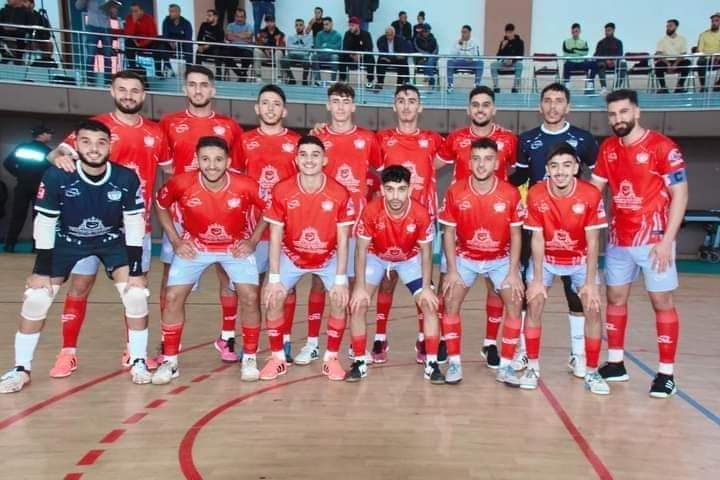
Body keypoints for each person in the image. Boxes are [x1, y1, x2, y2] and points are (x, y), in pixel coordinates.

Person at [0, 120, 152, 393]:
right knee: (36, 298)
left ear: (109, 147)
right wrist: (41, 271)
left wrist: (136, 270)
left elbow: (133, 223)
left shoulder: (125, 178)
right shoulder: (57, 175)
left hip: (111, 240)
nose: (94, 148)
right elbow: (45, 223)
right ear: (76, 146)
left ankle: (138, 360)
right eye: (86, 142)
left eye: (101, 142)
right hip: (67, 241)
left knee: (136, 294)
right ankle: (21, 369)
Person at [45, 71, 167, 378]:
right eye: (122, 89)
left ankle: (133, 352)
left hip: (135, 226)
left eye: (135, 90)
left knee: (135, 290)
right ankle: (67, 353)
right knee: (80, 285)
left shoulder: (156, 132)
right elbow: (56, 153)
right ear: (112, 92)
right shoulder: (96, 128)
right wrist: (56, 158)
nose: (128, 95)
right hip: (90, 226)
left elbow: (172, 171)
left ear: (143, 95)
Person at [591, 89, 688, 399]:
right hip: (619, 239)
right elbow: (594, 190)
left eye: (623, 112)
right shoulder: (608, 148)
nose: (618, 119)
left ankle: (666, 374)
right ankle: (616, 363)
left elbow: (680, 194)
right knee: (615, 298)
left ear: (636, 112)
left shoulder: (662, 147)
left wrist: (667, 241)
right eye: (612, 114)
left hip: (654, 240)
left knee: (662, 301)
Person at [152, 136, 266, 384]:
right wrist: (176, 240)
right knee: (172, 297)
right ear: (197, 160)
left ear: (228, 161)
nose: (212, 165)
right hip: (195, 247)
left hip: (234, 247)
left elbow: (270, 208)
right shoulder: (180, 183)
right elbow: (160, 204)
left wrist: (253, 240)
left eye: (218, 159)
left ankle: (249, 358)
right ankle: (170, 361)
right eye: (205, 159)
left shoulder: (246, 185)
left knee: (250, 297)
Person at [510, 82, 599, 377]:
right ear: (540, 106)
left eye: (559, 101)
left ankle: (578, 354)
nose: (552, 106)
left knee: (576, 295)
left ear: (568, 106)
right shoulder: (527, 140)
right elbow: (520, 177)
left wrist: (586, 207)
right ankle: (525, 352)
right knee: (531, 291)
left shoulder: (583, 139)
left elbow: (598, 177)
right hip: (537, 225)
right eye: (547, 100)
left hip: (573, 228)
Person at [159, 66, 245, 363]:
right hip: (182, 215)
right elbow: (164, 168)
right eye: (193, 85)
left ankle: (227, 338)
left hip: (221, 213)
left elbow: (238, 169)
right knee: (170, 280)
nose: (198, 90)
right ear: (185, 89)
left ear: (213, 90)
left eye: (204, 85)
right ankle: (167, 344)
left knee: (227, 275)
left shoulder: (229, 126)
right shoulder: (169, 123)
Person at [295, 83, 381, 365]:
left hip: (356, 226)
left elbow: (383, 175)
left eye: (346, 101)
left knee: (354, 285)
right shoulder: (317, 137)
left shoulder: (367, 138)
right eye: (336, 101)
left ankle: (355, 344)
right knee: (319, 284)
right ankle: (312, 343)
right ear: (328, 105)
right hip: (323, 225)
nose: (341, 106)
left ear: (353, 106)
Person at [260, 135, 355, 381]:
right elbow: (275, 236)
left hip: (328, 257)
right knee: (273, 297)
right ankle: (278, 359)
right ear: (296, 159)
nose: (309, 159)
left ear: (325, 160)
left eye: (315, 155)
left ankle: (331, 359)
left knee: (339, 299)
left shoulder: (339, 192)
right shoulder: (282, 190)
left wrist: (341, 280)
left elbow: (343, 240)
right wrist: (273, 279)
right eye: (303, 154)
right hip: (291, 256)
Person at [437, 86, 518, 369]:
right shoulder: (456, 138)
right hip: (460, 222)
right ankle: (445, 340)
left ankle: (490, 343)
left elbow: (520, 172)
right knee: (448, 285)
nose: (480, 109)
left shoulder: (508, 139)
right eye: (475, 104)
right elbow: (429, 165)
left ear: (493, 109)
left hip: (495, 222)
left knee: (495, 289)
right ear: (468, 109)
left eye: (485, 104)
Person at [521, 143, 609, 394]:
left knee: (593, 307)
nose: (560, 171)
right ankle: (532, 366)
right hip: (547, 259)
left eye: (566, 165)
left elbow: (593, 242)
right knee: (534, 302)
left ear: (576, 168)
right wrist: (538, 279)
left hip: (579, 260)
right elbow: (537, 239)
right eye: (555, 166)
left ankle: (592, 371)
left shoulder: (590, 194)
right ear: (548, 169)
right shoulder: (536, 193)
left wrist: (590, 283)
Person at [347, 165, 443, 383]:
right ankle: (359, 362)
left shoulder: (420, 213)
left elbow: (426, 253)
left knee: (430, 304)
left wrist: (426, 288)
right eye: (389, 189)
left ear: (410, 189)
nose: (395, 196)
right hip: (376, 257)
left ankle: (432, 364)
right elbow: (361, 250)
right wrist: (360, 287)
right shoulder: (371, 210)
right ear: (382, 190)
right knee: (358, 304)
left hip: (409, 259)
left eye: (401, 189)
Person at [375, 84, 446, 363]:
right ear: (394, 106)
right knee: (387, 281)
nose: (406, 105)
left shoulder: (433, 140)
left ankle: (422, 338)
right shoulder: (382, 139)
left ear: (420, 107)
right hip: (389, 221)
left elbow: (464, 150)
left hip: (422, 223)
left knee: (425, 283)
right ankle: (380, 338)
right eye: (401, 100)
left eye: (412, 100)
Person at [238, 84, 299, 362]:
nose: (271, 108)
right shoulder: (244, 140)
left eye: (276, 104)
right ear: (257, 108)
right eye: (265, 103)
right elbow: (235, 181)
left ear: (284, 111)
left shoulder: (296, 142)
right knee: (251, 290)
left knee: (286, 288)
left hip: (285, 230)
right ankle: (250, 342)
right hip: (251, 228)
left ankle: (284, 340)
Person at [3, 125, 53, 253]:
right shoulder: (48, 151)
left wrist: (19, 174)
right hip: (39, 188)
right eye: (48, 133)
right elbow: (52, 171)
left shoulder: (22, 147)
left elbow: (7, 163)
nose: (50, 136)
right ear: (41, 135)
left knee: (17, 216)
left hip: (22, 185)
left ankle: (10, 245)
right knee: (38, 218)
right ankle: (36, 247)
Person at [123, 2, 170, 77]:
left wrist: (141, 44)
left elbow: (152, 36)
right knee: (128, 42)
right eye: (132, 11)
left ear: (142, 11)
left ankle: (158, 72)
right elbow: (128, 34)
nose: (133, 13)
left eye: (136, 11)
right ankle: (132, 68)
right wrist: (133, 22)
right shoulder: (129, 18)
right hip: (135, 42)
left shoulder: (149, 18)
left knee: (158, 44)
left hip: (147, 43)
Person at [73, 0, 113, 82]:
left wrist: (112, 9)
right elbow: (78, 6)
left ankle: (108, 81)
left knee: (108, 55)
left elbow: (114, 14)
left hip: (106, 27)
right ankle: (90, 80)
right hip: (92, 26)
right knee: (91, 54)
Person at [654, 19, 691, 94]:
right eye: (667, 26)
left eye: (670, 26)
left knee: (687, 63)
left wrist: (675, 64)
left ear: (676, 27)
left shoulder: (682, 39)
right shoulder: (662, 40)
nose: (668, 28)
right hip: (666, 61)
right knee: (658, 65)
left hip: (678, 61)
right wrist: (668, 64)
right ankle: (663, 87)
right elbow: (658, 53)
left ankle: (679, 86)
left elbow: (683, 54)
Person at [339, 16, 375, 89]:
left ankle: (370, 81)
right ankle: (342, 80)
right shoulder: (347, 34)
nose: (350, 27)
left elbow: (369, 48)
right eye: (349, 25)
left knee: (371, 58)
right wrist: (352, 55)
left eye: (352, 25)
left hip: (363, 57)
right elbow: (345, 48)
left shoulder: (366, 34)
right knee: (342, 57)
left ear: (358, 25)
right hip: (351, 57)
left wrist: (361, 55)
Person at [446, 25, 483, 93]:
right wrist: (459, 45)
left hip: (470, 62)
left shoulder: (474, 42)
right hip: (459, 62)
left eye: (465, 32)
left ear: (469, 33)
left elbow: (477, 56)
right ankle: (450, 85)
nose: (463, 34)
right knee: (450, 62)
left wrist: (471, 58)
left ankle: (476, 85)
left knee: (480, 63)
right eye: (462, 32)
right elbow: (452, 55)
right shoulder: (457, 42)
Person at [562, 23, 597, 93]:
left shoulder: (584, 42)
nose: (575, 33)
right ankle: (567, 87)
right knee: (566, 65)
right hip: (571, 62)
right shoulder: (566, 42)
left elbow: (585, 52)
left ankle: (590, 83)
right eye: (573, 32)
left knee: (594, 64)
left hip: (581, 62)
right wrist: (579, 51)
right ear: (571, 32)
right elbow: (566, 53)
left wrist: (574, 50)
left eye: (576, 31)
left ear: (579, 31)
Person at [490, 23, 524, 93]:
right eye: (507, 32)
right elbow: (498, 57)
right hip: (504, 63)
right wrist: (502, 47)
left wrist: (512, 60)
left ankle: (515, 88)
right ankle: (496, 87)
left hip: (514, 63)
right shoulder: (503, 42)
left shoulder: (520, 42)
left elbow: (521, 56)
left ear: (514, 32)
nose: (508, 34)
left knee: (520, 65)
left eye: (510, 32)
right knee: (493, 65)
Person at [593, 22, 625, 92]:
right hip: (604, 62)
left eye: (609, 30)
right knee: (600, 64)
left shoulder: (619, 42)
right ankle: (604, 88)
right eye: (606, 31)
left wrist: (613, 61)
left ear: (613, 30)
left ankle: (617, 87)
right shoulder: (601, 42)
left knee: (623, 65)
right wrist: (606, 60)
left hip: (615, 62)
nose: (607, 32)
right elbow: (597, 54)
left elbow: (620, 54)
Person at [225, 8, 255, 82]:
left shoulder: (249, 26)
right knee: (224, 54)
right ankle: (240, 74)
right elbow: (229, 37)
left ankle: (243, 74)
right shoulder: (230, 26)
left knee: (247, 55)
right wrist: (243, 36)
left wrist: (235, 35)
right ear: (235, 17)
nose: (239, 19)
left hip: (246, 48)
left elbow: (248, 35)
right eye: (237, 16)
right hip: (233, 48)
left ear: (245, 18)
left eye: (241, 17)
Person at [311, 16, 342, 84]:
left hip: (332, 56)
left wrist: (326, 45)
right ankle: (318, 81)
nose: (325, 26)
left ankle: (333, 82)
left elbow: (338, 48)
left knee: (335, 57)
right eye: (324, 24)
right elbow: (317, 48)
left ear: (331, 24)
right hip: (321, 55)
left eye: (327, 24)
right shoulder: (319, 34)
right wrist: (331, 48)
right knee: (314, 56)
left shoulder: (338, 35)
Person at [282, 18, 312, 85]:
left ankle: (304, 80)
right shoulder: (291, 37)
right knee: (284, 60)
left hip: (304, 55)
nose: (298, 27)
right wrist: (301, 47)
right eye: (296, 25)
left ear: (304, 26)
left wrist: (295, 47)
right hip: (292, 55)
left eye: (300, 25)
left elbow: (308, 49)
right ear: (295, 27)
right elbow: (289, 48)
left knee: (307, 61)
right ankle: (292, 79)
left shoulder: (309, 37)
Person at [196, 9, 225, 78]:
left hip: (214, 49)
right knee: (198, 51)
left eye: (209, 16)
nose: (207, 17)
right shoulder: (203, 25)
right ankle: (198, 73)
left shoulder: (220, 29)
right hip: (204, 48)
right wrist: (200, 46)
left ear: (216, 17)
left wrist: (209, 46)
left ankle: (219, 76)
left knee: (218, 52)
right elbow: (199, 38)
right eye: (207, 15)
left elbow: (220, 42)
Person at [696, 12, 720, 92]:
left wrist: (717, 57)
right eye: (712, 21)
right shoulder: (703, 34)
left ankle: (718, 84)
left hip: (718, 59)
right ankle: (703, 87)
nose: (714, 23)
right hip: (707, 59)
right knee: (700, 61)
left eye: (716, 21)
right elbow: (700, 50)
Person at [413, 23, 439, 88]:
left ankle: (428, 78)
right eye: (425, 31)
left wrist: (431, 55)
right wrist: (426, 54)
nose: (426, 33)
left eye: (428, 31)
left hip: (432, 58)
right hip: (422, 59)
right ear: (422, 31)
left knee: (430, 60)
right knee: (428, 62)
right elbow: (417, 49)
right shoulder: (417, 39)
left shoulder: (433, 38)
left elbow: (436, 49)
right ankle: (431, 81)